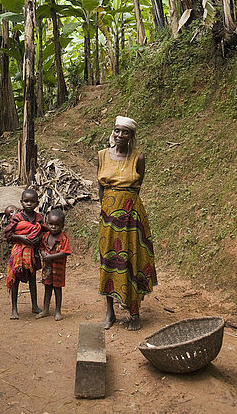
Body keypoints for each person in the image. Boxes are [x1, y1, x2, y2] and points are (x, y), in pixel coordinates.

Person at [97, 115, 157, 331]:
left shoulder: (138, 158)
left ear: (132, 136)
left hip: (132, 217)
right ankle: (110, 312)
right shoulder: (102, 156)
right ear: (113, 132)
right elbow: (100, 187)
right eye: (117, 131)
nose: (120, 135)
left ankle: (134, 312)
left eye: (125, 132)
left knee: (133, 260)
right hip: (109, 219)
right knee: (109, 260)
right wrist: (105, 210)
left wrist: (126, 206)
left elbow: (137, 185)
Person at [4, 189, 47, 319]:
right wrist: (23, 238)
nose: (29, 203)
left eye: (32, 201)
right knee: (15, 279)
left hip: (32, 253)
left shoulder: (38, 217)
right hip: (19, 252)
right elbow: (8, 235)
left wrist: (38, 239)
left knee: (32, 279)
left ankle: (34, 306)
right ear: (21, 202)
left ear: (37, 203)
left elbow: (43, 232)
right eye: (26, 201)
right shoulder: (17, 217)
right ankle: (14, 309)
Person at [36, 209, 71, 321]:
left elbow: (65, 252)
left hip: (58, 269)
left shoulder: (63, 238)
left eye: (57, 225)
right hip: (47, 268)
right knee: (47, 287)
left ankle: (58, 311)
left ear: (62, 225)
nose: (53, 227)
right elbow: (41, 247)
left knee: (57, 289)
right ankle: (46, 309)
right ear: (47, 223)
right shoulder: (45, 236)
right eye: (51, 224)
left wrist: (51, 257)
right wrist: (43, 254)